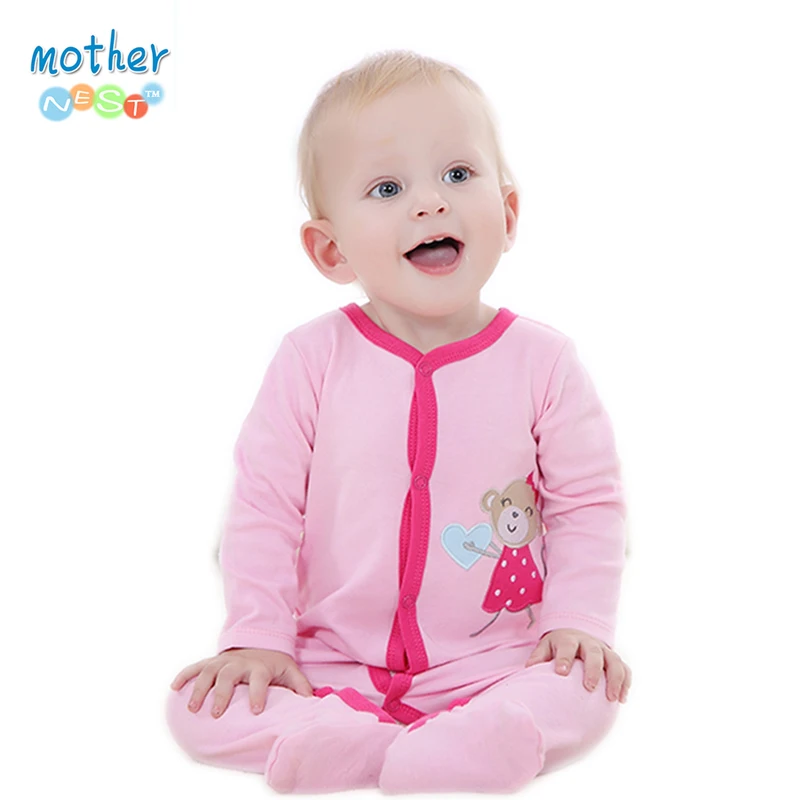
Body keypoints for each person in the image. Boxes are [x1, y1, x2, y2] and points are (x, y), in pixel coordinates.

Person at [165, 49, 632, 794]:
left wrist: (575, 622)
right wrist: (258, 637)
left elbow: (588, 504)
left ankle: (475, 739)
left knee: (587, 686)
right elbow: (265, 506)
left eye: (459, 173)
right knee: (198, 704)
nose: (430, 204)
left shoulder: (543, 362)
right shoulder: (311, 359)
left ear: (508, 213)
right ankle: (354, 744)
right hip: (329, 664)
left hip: (494, 662)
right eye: (387, 188)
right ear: (330, 249)